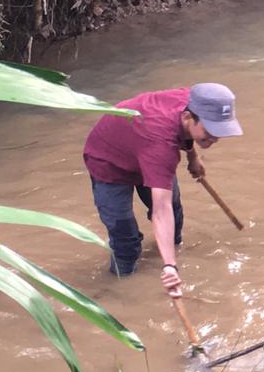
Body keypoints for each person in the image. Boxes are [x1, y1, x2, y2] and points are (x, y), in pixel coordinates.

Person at [83, 83, 242, 297]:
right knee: (125, 240)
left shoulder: (195, 99)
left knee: (175, 208)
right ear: (188, 117)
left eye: (220, 131)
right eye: (210, 131)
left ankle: (171, 247)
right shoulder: (160, 146)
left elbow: (183, 131)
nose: (215, 138)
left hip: (145, 148)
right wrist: (170, 267)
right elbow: (160, 209)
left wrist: (193, 156)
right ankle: (118, 290)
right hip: (109, 162)